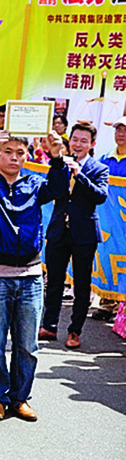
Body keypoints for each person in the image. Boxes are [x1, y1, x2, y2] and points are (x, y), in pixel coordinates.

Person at [0, 130, 68, 421]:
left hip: (31, 276)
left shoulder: (35, 184)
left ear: (27, 156)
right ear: (0, 152)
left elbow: (60, 189)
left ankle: (20, 398)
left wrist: (58, 156)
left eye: (19, 152)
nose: (13, 157)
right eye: (7, 151)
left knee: (27, 345)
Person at [40, 123, 109, 349]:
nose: (78, 144)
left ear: (92, 145)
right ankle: (49, 326)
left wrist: (79, 175)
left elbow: (100, 197)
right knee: (54, 282)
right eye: (75, 139)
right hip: (59, 230)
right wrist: (59, 164)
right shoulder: (60, 163)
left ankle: (74, 330)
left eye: (83, 141)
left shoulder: (99, 169)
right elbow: (52, 189)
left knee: (81, 283)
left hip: (84, 233)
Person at [95, 116, 126, 321]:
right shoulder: (105, 158)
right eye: (118, 130)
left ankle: (121, 306)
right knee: (107, 255)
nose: (121, 134)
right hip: (108, 218)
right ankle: (107, 302)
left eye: (125, 130)